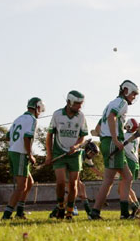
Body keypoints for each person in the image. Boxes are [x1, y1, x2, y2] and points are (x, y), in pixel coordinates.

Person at [89, 80, 139, 220]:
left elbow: (99, 128)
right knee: (109, 180)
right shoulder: (121, 103)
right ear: (126, 90)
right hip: (112, 142)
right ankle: (98, 212)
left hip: (107, 141)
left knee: (127, 177)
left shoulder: (111, 103)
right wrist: (115, 139)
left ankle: (122, 212)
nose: (134, 97)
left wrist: (105, 136)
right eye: (133, 93)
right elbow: (112, 117)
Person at [46, 90, 88, 220]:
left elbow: (82, 136)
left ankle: (69, 211)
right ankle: (60, 207)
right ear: (69, 102)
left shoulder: (81, 116)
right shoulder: (57, 115)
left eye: (81, 104)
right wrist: (49, 154)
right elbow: (49, 135)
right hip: (59, 152)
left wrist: (75, 146)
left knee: (73, 184)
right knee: (60, 183)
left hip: (74, 155)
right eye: (77, 104)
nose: (79, 106)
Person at [2, 97, 45, 220]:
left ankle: (20, 212)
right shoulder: (32, 120)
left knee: (29, 183)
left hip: (12, 152)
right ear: (37, 108)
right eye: (40, 110)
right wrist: (30, 154)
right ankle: (7, 214)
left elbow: (7, 137)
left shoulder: (18, 118)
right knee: (21, 187)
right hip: (21, 153)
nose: (40, 113)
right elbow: (27, 137)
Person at [118, 118, 140, 219]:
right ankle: (138, 208)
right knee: (127, 188)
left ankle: (135, 207)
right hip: (135, 162)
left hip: (128, 161)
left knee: (122, 189)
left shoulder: (124, 136)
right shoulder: (138, 138)